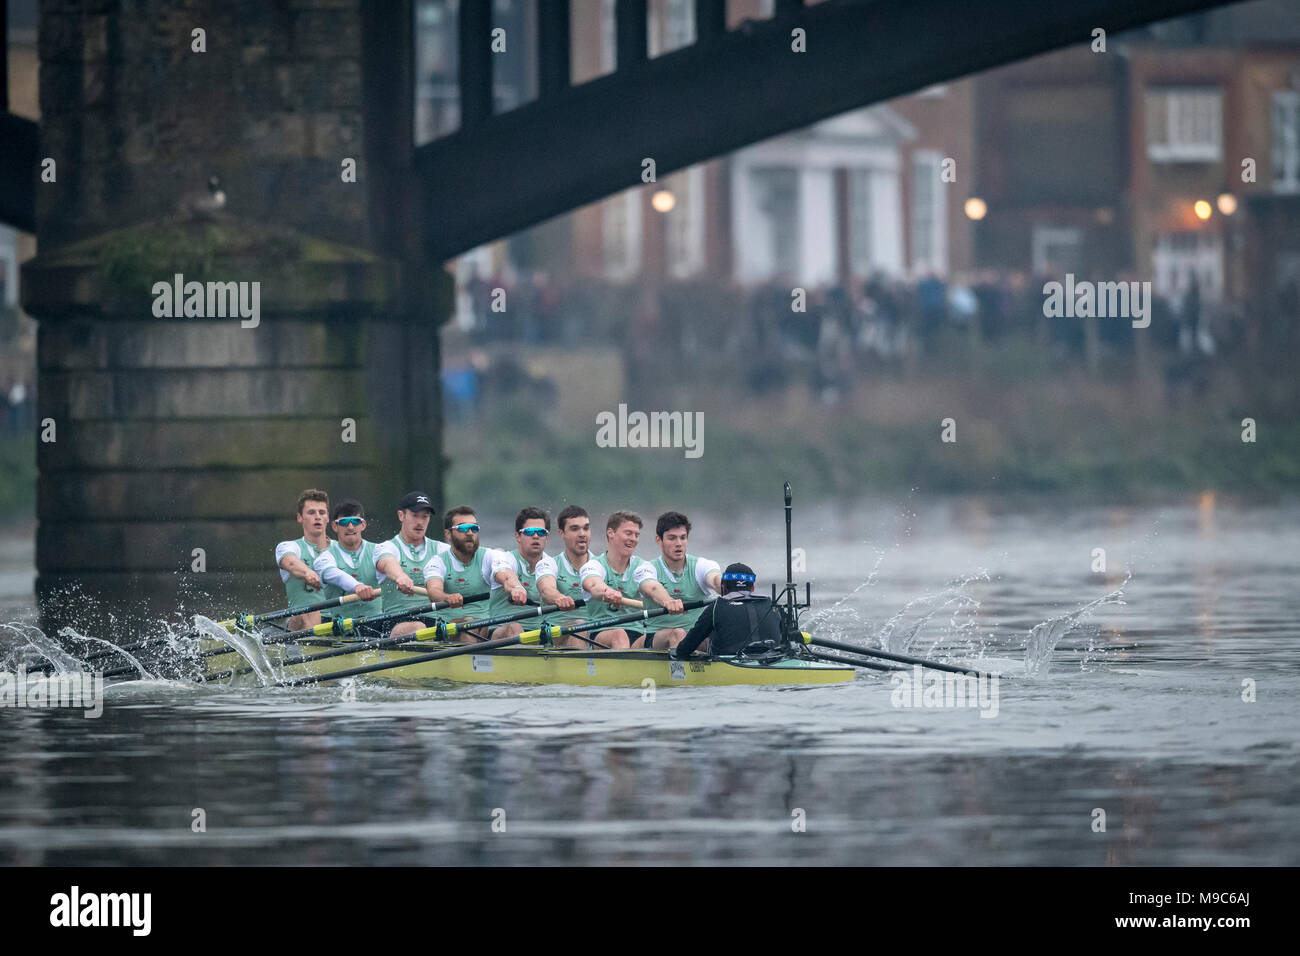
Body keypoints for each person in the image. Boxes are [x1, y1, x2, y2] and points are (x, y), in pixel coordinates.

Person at [580, 511, 682, 649]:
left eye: (636, 535)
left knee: (676, 633)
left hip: (637, 635)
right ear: (611, 533)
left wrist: (667, 601)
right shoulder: (594, 565)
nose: (634, 539)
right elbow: (593, 584)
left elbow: (652, 587)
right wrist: (607, 592)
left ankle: (678, 670)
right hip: (601, 634)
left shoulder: (642, 566)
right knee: (619, 635)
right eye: (628, 533)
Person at [486, 507, 576, 640]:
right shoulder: (505, 558)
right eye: (529, 532)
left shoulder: (551, 564)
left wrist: (559, 598)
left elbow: (547, 589)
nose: (535, 536)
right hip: (502, 632)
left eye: (540, 532)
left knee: (576, 627)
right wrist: (516, 588)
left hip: (540, 634)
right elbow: (506, 576)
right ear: (518, 536)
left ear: (547, 537)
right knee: (515, 627)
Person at [373, 492, 451, 639]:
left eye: (425, 516)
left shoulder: (442, 550)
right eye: (415, 515)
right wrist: (400, 576)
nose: (420, 522)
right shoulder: (385, 547)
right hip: (397, 622)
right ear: (401, 516)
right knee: (419, 627)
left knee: (469, 625)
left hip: (437, 622)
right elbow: (387, 562)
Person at [671, 564, 784, 659]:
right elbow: (795, 640)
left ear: (724, 587)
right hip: (774, 661)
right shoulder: (773, 605)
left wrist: (679, 652)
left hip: (731, 666)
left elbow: (685, 649)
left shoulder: (716, 607)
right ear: (753, 587)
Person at [644, 511, 721, 650]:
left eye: (683, 538)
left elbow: (715, 580)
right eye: (672, 538)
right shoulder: (647, 568)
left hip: (693, 636)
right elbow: (652, 587)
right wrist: (668, 601)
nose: (678, 544)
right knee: (678, 634)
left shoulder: (701, 565)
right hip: (658, 637)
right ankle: (679, 671)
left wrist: (728, 587)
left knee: (719, 634)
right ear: (659, 540)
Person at [424, 504, 497, 640]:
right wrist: (447, 597)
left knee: (513, 628)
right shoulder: (438, 562)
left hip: (485, 627)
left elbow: (506, 576)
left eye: (474, 528)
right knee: (467, 625)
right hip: (451, 631)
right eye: (463, 528)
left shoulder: (489, 556)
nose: (470, 533)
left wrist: (515, 587)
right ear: (448, 534)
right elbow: (433, 591)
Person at [312, 499, 383, 622]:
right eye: (344, 522)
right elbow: (335, 575)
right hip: (341, 627)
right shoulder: (324, 558)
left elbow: (390, 566)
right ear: (335, 526)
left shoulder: (379, 550)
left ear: (363, 525)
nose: (350, 527)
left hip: (377, 623)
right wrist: (357, 586)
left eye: (355, 521)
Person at [274, 489, 331, 631]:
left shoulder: (341, 550)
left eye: (322, 513)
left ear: (328, 517)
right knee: (308, 612)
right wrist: (307, 573)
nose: (317, 517)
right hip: (302, 622)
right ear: (300, 517)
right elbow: (290, 562)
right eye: (311, 513)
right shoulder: (289, 547)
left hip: (339, 620)